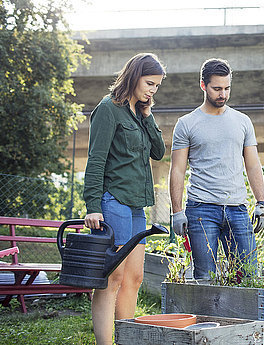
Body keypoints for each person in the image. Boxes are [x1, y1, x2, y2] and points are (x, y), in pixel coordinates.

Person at [83, 53, 166, 345]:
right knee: (112, 278)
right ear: (134, 76)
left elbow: (159, 152)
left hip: (136, 206)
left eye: (156, 86)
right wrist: (93, 206)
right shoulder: (108, 109)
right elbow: (95, 160)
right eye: (149, 83)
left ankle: (127, 339)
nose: (152, 90)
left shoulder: (140, 113)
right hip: (112, 201)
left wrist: (148, 114)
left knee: (135, 278)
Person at [169, 58, 264, 280]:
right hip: (201, 210)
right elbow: (177, 170)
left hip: (238, 209)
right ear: (203, 86)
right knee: (205, 278)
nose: (222, 94)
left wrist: (260, 203)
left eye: (227, 88)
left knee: (248, 277)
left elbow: (252, 164)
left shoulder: (242, 121)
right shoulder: (186, 123)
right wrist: (176, 212)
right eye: (217, 89)